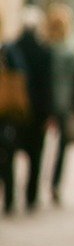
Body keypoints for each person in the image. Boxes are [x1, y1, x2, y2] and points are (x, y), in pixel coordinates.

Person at [13, 5, 53, 213]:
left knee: (11, 153)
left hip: (15, 111)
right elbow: (47, 85)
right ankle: (31, 195)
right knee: (35, 155)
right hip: (37, 111)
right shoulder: (43, 51)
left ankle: (11, 196)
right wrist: (48, 113)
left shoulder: (13, 47)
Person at [46, 3, 74, 205]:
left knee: (44, 145)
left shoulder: (47, 47)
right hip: (65, 103)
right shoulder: (71, 49)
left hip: (50, 102)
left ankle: (46, 181)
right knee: (61, 147)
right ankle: (54, 183)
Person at [0, 12, 28, 215]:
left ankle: (9, 198)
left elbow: (20, 76)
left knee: (7, 156)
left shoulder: (8, 50)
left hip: (5, 112)